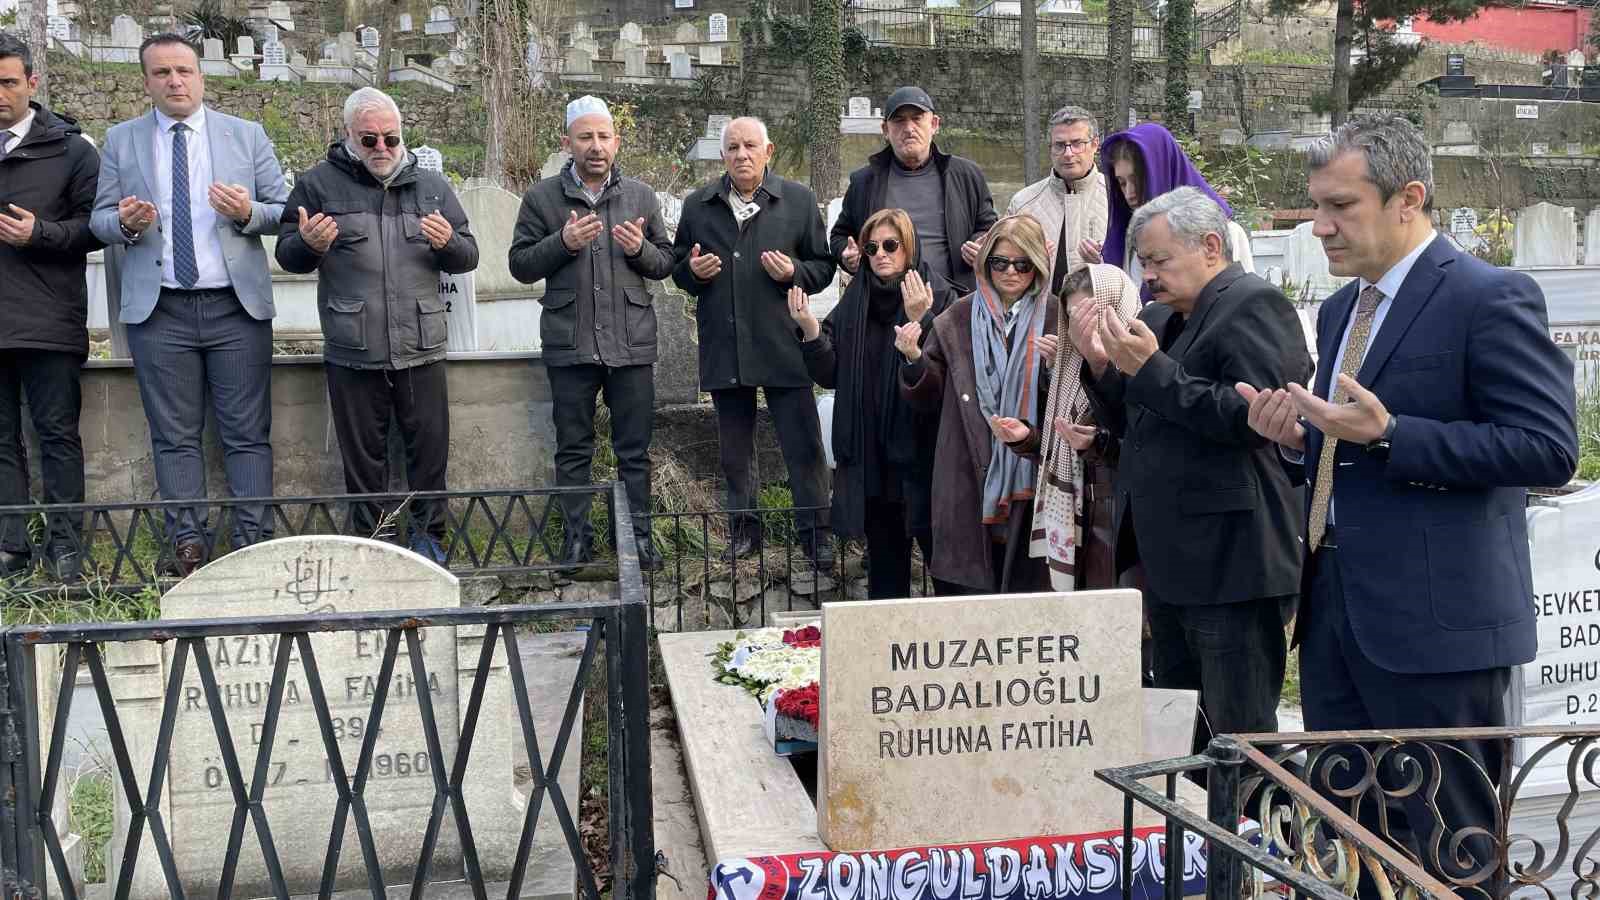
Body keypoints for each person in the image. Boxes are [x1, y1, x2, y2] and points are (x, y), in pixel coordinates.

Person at [1238, 113, 1578, 891]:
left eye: (1340, 206)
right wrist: (1297, 441)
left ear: (1408, 198)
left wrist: (1394, 432)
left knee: (1449, 854)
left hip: (1438, 633)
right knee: (1354, 844)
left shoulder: (1489, 297)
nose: (1319, 226)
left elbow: (1546, 446)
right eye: (1315, 205)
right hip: (1336, 626)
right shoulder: (1339, 310)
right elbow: (1346, 451)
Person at [1072, 186, 1311, 753]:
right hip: (1169, 561)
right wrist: (1104, 370)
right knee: (1181, 732)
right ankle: (1192, 839)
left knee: (1239, 741)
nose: (1148, 275)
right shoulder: (1159, 315)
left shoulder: (1254, 304)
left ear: (1209, 245)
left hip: (1232, 561)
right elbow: (1143, 418)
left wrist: (1151, 370)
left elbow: (1253, 418)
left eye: (1159, 260)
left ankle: (1251, 840)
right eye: (1143, 263)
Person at [90, 33, 288, 575]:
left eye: (184, 71)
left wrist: (249, 211)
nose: (175, 81)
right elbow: (99, 221)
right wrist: (126, 226)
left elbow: (284, 209)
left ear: (201, 75)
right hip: (161, 310)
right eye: (162, 73)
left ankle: (253, 542)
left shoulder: (244, 136)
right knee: (173, 435)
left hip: (235, 307)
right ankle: (188, 544)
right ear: (146, 81)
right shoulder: (122, 140)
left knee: (246, 432)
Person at [275, 87, 478, 563]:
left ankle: (429, 539)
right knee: (363, 458)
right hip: (354, 346)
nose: (382, 149)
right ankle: (372, 544)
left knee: (428, 453)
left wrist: (449, 242)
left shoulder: (431, 186)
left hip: (421, 344)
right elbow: (288, 255)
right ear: (348, 136)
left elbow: (468, 256)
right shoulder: (318, 184)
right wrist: (308, 243)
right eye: (369, 140)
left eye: (391, 137)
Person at [508, 96, 673, 573]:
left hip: (631, 341)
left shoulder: (640, 195)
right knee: (573, 448)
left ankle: (638, 539)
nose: (596, 146)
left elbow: (665, 264)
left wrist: (641, 249)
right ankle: (576, 542)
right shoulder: (541, 198)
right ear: (567, 143)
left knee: (633, 450)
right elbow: (519, 265)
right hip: (571, 341)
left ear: (616, 142)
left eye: (604, 137)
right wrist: (562, 243)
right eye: (585, 137)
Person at [671, 117, 837, 568]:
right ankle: (745, 530)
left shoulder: (798, 202)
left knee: (803, 447)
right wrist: (692, 273)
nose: (741, 154)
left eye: (749, 146)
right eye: (732, 147)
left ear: (769, 151)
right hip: (726, 342)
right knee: (735, 451)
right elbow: (678, 265)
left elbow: (823, 267)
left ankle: (816, 533)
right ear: (722, 155)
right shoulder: (699, 205)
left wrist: (793, 274)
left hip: (782, 340)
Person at [789, 209, 958, 598]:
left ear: (908, 248)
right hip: (875, 461)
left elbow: (951, 367)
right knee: (886, 577)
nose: (881, 254)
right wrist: (811, 330)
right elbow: (831, 373)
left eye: (890, 245)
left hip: (925, 459)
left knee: (947, 570)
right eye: (872, 247)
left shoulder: (938, 293)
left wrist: (924, 318)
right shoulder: (856, 299)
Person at [897, 214, 1056, 594]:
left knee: (1029, 599)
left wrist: (1053, 369)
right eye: (1000, 262)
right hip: (967, 469)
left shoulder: (1058, 315)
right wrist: (915, 357)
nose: (1011, 272)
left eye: (1023, 263)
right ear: (985, 263)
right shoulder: (957, 317)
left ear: (1037, 265)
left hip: (1034, 469)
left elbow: (1076, 399)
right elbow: (929, 397)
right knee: (970, 601)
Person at [0, 34, 102, 583]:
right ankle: (10, 545)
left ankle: (66, 547)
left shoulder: (71, 149)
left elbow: (97, 228)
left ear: (32, 84)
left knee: (57, 435)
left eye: (8, 82)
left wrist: (41, 233)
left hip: (48, 320)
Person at [1014, 263, 1140, 592]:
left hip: (1124, 531)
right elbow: (1058, 450)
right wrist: (1026, 441)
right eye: (1074, 316)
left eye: (1092, 313)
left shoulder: (1144, 361)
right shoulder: (1068, 370)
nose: (1084, 326)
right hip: (1080, 533)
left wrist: (1097, 444)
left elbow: (1138, 444)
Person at [831, 87, 998, 293]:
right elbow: (840, 235)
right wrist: (848, 256)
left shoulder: (966, 176)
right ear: (885, 130)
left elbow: (990, 228)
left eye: (917, 118)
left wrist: (980, 246)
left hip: (954, 300)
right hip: (884, 304)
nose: (909, 128)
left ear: (934, 124)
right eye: (899, 121)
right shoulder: (865, 182)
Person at [1089, 123, 1253, 293]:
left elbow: (1240, 303)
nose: (1129, 193)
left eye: (1137, 181)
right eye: (1122, 183)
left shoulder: (1226, 233)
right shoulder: (1129, 239)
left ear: (1161, 172)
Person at [1005, 105, 1108, 296]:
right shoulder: (1024, 203)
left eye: (1077, 143)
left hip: (1102, 317)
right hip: (1038, 318)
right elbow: (1004, 268)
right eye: (1060, 145)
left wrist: (1104, 264)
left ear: (1095, 145)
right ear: (1050, 149)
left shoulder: (1116, 199)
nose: (1068, 153)